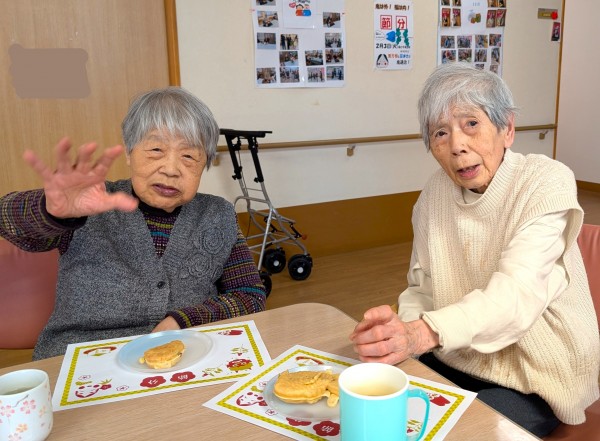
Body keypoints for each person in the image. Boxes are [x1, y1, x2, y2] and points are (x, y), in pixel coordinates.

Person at [350, 63, 599, 437]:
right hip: (459, 355)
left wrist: (422, 334)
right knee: (381, 407)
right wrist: (401, 333)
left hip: (537, 373)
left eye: (471, 124)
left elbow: (515, 296)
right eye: (440, 133)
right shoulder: (433, 195)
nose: (457, 146)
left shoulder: (545, 182)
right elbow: (423, 289)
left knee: (458, 431)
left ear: (507, 129)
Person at [0, 87, 267, 360]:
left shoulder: (218, 214)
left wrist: (184, 320)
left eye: (188, 156)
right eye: (155, 150)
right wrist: (50, 211)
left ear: (205, 164)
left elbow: (250, 296)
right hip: (81, 360)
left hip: (181, 357)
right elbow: (7, 220)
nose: (171, 169)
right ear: (129, 153)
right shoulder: (89, 203)